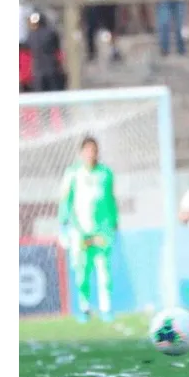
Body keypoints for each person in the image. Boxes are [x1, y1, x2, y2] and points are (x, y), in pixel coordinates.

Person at [58, 137, 119, 323]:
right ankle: (84, 308)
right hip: (80, 231)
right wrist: (63, 224)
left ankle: (106, 309)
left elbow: (111, 199)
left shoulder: (106, 173)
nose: (91, 154)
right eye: (88, 150)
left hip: (101, 231)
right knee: (82, 271)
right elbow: (65, 200)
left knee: (103, 271)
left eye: (94, 150)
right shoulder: (73, 173)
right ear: (82, 152)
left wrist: (114, 223)